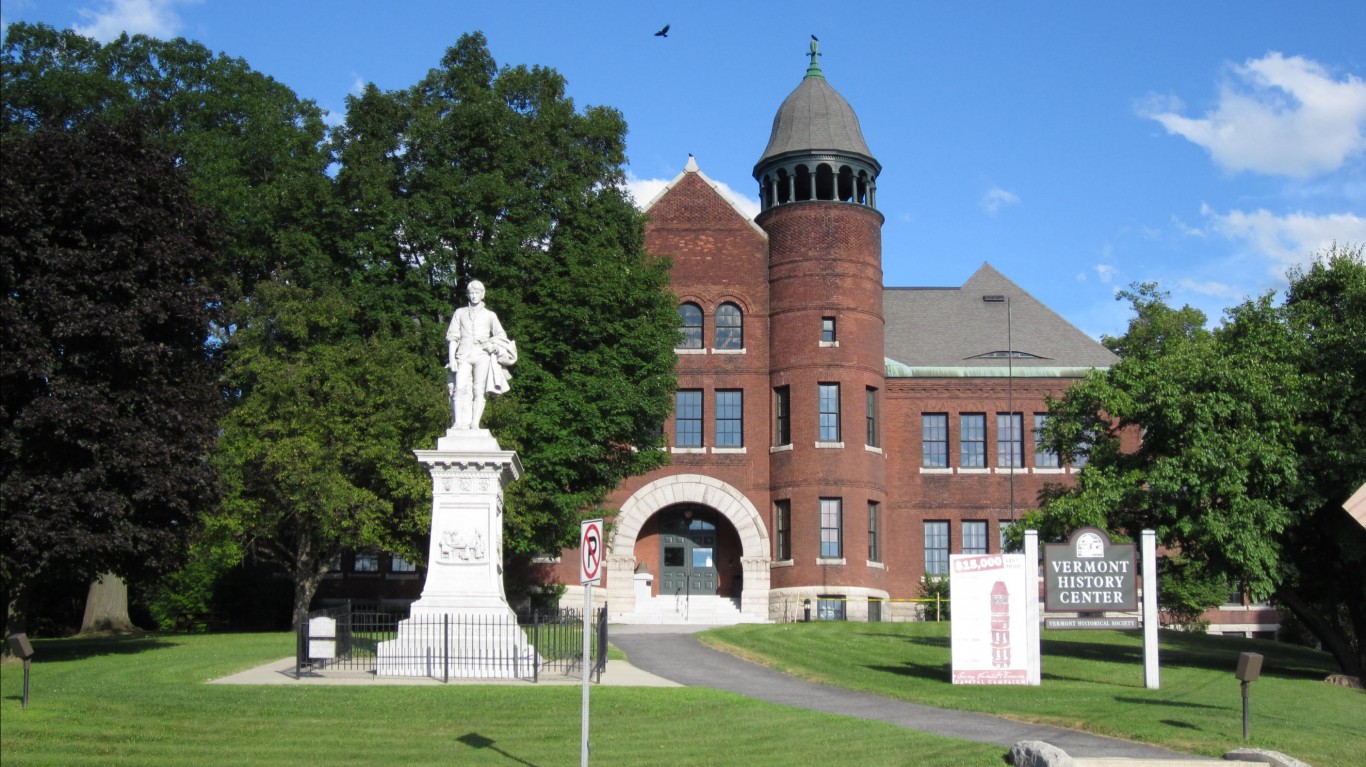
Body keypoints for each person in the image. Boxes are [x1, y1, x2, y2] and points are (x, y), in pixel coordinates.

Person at [446, 280, 517, 430]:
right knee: (459, 388)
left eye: (477, 292)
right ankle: (458, 423)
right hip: (463, 355)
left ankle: (475, 424)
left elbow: (501, 335)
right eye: (471, 293)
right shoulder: (460, 312)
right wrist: (452, 358)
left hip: (482, 355)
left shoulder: (490, 315)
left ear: (482, 294)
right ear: (468, 294)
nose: (473, 295)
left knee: (479, 390)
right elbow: (453, 337)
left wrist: (492, 345)